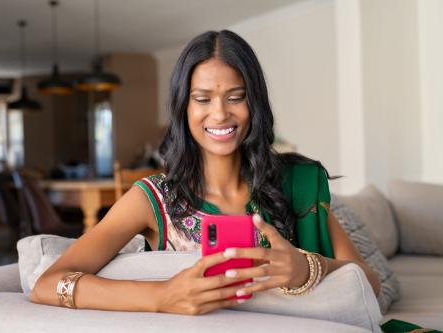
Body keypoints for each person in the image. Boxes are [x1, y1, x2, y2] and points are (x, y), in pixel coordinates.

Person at [30, 30, 380, 315]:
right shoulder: (153, 199)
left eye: (235, 97)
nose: (219, 114)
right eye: (202, 99)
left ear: (254, 103)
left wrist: (308, 267)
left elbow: (370, 285)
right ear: (183, 107)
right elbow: (48, 283)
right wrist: (162, 296)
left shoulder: (297, 182)